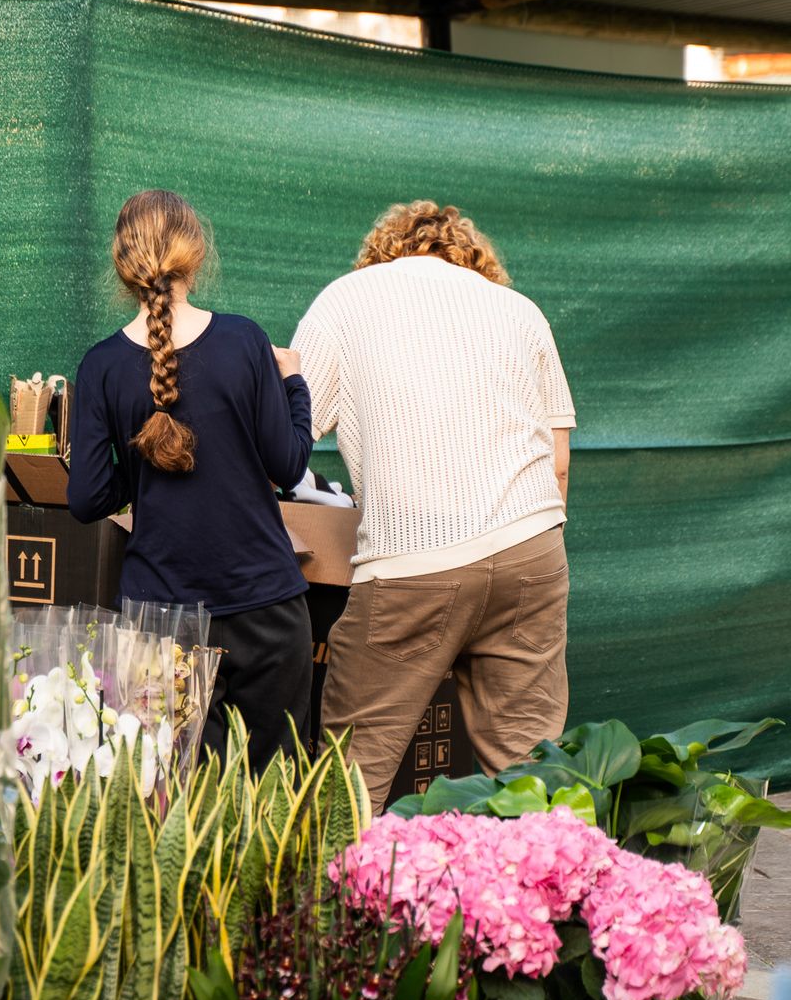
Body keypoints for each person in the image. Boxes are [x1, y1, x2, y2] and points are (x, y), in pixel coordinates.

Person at [291, 201, 576, 811]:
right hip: (532, 545)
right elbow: (557, 463)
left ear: (383, 251)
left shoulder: (345, 300)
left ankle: (337, 905)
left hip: (410, 562)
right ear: (472, 258)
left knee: (349, 780)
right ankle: (550, 903)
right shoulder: (521, 311)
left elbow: (288, 439)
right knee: (532, 774)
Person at [68, 189, 315, 769]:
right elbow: (290, 466)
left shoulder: (100, 365)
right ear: (195, 253)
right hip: (265, 610)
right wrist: (293, 384)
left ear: (122, 265)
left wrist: (140, 470)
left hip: (159, 617)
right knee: (275, 801)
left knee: (171, 801)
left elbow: (85, 499)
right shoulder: (245, 342)